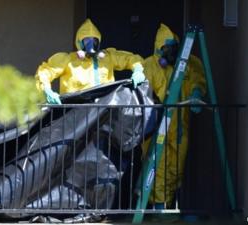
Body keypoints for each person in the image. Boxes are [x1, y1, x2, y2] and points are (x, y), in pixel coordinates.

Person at [142, 23, 207, 209]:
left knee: (176, 166)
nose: (169, 52)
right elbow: (144, 92)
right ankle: (159, 205)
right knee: (158, 166)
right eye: (165, 48)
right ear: (158, 49)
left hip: (180, 124)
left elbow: (198, 79)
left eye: (172, 48)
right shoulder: (149, 65)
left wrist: (196, 93)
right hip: (156, 124)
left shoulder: (189, 63)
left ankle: (166, 203)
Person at [35, 19, 146, 104]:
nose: (91, 44)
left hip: (104, 115)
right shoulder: (68, 60)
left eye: (94, 40)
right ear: (79, 42)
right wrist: (46, 90)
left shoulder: (108, 57)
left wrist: (138, 70)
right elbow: (45, 71)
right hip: (75, 117)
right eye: (87, 40)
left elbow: (131, 59)